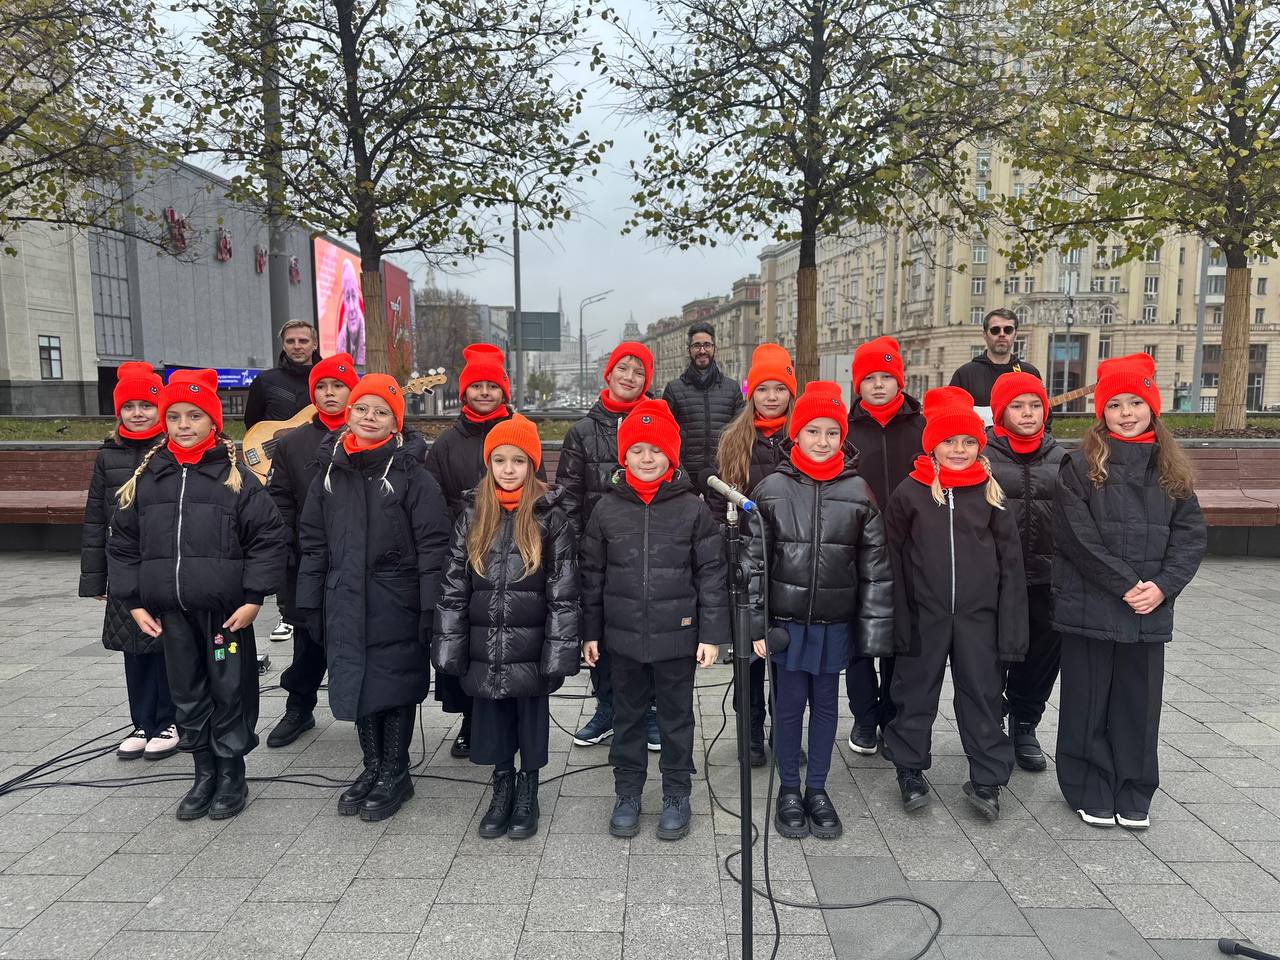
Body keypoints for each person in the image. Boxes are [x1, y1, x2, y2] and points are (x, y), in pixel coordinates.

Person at [107, 369, 287, 821]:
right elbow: (123, 543)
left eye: (194, 415)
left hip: (225, 616)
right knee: (186, 692)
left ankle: (231, 772)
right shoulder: (148, 479)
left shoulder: (235, 478)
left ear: (213, 421)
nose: (183, 424)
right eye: (174, 416)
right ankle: (203, 770)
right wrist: (134, 602)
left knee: (229, 690)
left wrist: (254, 597)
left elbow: (268, 538)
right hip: (172, 614)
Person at [1053, 353, 1205, 830]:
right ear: (1102, 412)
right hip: (1091, 604)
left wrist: (1162, 587)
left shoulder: (1171, 469)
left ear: (1151, 407)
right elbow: (1077, 537)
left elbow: (1190, 536)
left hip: (1147, 609)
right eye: (1115, 404)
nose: (1126, 412)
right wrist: (1126, 584)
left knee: (1138, 705)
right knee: (1087, 701)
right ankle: (1089, 786)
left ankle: (1134, 789)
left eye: (1135, 402)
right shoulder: (1078, 466)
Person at [296, 374, 452, 822]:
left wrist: (430, 606)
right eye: (362, 409)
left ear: (395, 422)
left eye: (381, 412)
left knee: (393, 684)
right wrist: (309, 602)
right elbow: (313, 543)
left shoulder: (412, 476)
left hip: (395, 600)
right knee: (358, 683)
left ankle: (395, 771)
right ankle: (373, 765)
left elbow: (434, 546)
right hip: (344, 598)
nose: (370, 418)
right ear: (348, 414)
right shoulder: (329, 474)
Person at [747, 381, 893, 840]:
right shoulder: (771, 489)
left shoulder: (858, 491)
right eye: (813, 431)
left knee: (827, 706)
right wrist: (755, 624)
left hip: (835, 622)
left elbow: (875, 569)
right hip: (787, 623)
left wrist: (871, 633)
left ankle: (817, 788)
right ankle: (789, 788)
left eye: (833, 432)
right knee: (789, 706)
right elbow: (752, 564)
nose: (823, 441)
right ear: (796, 433)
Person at [580, 399, 727, 841]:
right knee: (626, 717)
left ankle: (677, 794)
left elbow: (711, 573)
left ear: (672, 456)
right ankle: (627, 793)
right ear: (624, 456)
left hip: (676, 638)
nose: (647, 458)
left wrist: (711, 634)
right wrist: (590, 632)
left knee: (676, 720)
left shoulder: (692, 509)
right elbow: (592, 575)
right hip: (622, 639)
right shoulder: (606, 509)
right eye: (638, 449)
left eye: (656, 450)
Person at [882, 386, 1028, 821]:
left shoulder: (991, 493)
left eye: (968, 441)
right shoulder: (910, 492)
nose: (960, 450)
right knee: (914, 693)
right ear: (932, 445)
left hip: (979, 620)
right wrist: (896, 619)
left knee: (983, 696)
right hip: (923, 617)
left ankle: (987, 777)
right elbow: (891, 558)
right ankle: (910, 769)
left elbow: (1011, 566)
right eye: (949, 441)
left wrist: (1011, 631)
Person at [433, 414, 581, 840]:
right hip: (484, 642)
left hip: (530, 644)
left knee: (529, 720)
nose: (509, 469)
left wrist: (558, 650)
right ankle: (502, 785)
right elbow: (453, 586)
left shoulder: (550, 518)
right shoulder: (472, 515)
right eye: (500, 460)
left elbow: (564, 591)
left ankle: (528, 788)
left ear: (532, 465)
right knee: (493, 717)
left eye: (519, 460)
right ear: (489, 464)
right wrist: (449, 644)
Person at [426, 344, 547, 758]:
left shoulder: (520, 431)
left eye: (491, 386)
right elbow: (435, 498)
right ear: (464, 392)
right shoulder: (447, 443)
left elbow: (537, 491)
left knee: (510, 645)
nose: (483, 392)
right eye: (476, 385)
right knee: (470, 645)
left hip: (516, 555)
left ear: (503, 391)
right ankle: (469, 721)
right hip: (469, 553)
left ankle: (512, 729)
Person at [559, 341, 659, 750]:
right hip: (597, 554)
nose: (630, 377)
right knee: (598, 629)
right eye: (624, 368)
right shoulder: (582, 432)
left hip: (647, 552)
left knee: (646, 629)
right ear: (609, 372)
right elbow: (568, 498)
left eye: (639, 371)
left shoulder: (659, 423)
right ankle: (607, 707)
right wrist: (574, 550)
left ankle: (649, 710)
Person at [79, 362, 178, 762]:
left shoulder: (171, 450)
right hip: (124, 565)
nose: (138, 413)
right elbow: (95, 517)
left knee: (166, 643)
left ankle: (170, 719)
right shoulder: (108, 456)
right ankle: (142, 721)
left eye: (147, 405)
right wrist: (95, 579)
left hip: (164, 565)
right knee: (132, 647)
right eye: (129, 406)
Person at [706, 343, 796, 767]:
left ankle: (784, 730)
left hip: (793, 561)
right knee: (749, 658)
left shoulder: (801, 436)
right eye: (763, 388)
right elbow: (716, 505)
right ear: (751, 393)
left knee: (785, 654)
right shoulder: (734, 440)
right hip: (747, 563)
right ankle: (751, 731)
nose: (772, 397)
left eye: (780, 388)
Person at [264, 353, 359, 748]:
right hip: (309, 561)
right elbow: (280, 502)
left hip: (357, 560)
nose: (329, 393)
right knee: (307, 640)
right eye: (321, 386)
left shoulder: (368, 436)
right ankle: (299, 707)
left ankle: (367, 714)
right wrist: (289, 551)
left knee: (359, 638)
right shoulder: (292, 443)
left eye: (338, 386)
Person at [843, 336, 925, 757]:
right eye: (869, 378)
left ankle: (892, 714)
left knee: (900, 637)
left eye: (886, 377)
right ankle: (864, 716)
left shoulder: (921, 427)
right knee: (859, 640)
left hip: (911, 550)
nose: (878, 385)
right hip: (858, 549)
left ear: (899, 381)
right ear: (857, 384)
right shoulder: (845, 430)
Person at [984, 372, 1066, 772]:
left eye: (1035, 405)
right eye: (1017, 406)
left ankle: (1025, 721)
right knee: (991, 654)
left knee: (1041, 657)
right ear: (1001, 413)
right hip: (996, 579)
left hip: (1047, 578)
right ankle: (989, 722)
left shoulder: (1062, 458)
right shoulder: (983, 455)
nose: (1028, 413)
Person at [244, 318, 322, 646]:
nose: (297, 346)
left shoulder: (327, 380)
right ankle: (285, 613)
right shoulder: (266, 381)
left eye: (303, 340)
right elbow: (252, 424)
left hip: (320, 466)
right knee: (283, 536)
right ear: (283, 344)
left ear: (314, 343)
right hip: (278, 470)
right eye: (291, 341)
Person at [661, 321, 745, 491]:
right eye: (696, 346)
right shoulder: (674, 389)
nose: (702, 350)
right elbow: (665, 435)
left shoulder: (732, 388)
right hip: (685, 477)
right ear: (689, 350)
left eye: (707, 345)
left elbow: (740, 433)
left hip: (723, 474)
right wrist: (677, 470)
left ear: (714, 348)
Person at [949, 308, 1043, 413]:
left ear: (1015, 335)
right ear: (985, 335)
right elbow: (951, 411)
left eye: (1008, 330)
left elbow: (1044, 414)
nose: (1002, 334)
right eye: (995, 330)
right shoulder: (965, 374)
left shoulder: (1029, 373)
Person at [335, 260, 366, 366]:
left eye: (353, 296)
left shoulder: (369, 336)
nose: (352, 308)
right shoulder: (341, 341)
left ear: (358, 297)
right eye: (348, 298)